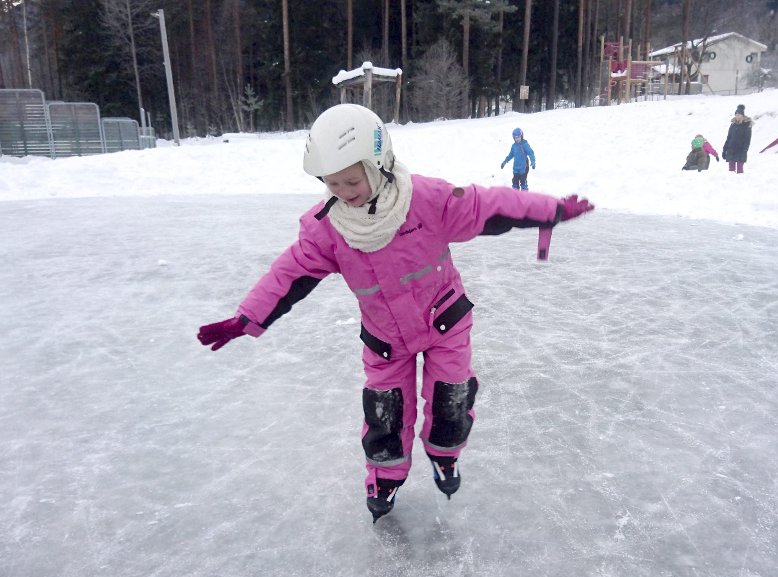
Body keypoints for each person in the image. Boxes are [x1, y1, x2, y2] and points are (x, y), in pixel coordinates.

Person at [196, 104, 595, 523]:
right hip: (385, 340)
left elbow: (488, 205)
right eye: (332, 183)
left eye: (352, 180)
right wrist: (247, 317)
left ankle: (444, 456)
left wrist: (550, 209)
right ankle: (385, 478)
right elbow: (289, 272)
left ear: (379, 164)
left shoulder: (425, 200)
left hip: (445, 322)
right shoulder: (327, 229)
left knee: (451, 403)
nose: (344, 191)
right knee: (385, 413)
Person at [722, 104, 753, 174]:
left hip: (741, 150)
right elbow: (729, 138)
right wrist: (724, 150)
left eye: (739, 115)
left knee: (740, 171)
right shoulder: (733, 125)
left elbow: (748, 139)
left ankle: (740, 183)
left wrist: (745, 149)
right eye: (736, 115)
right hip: (731, 149)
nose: (737, 116)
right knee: (731, 171)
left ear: (742, 116)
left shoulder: (747, 125)